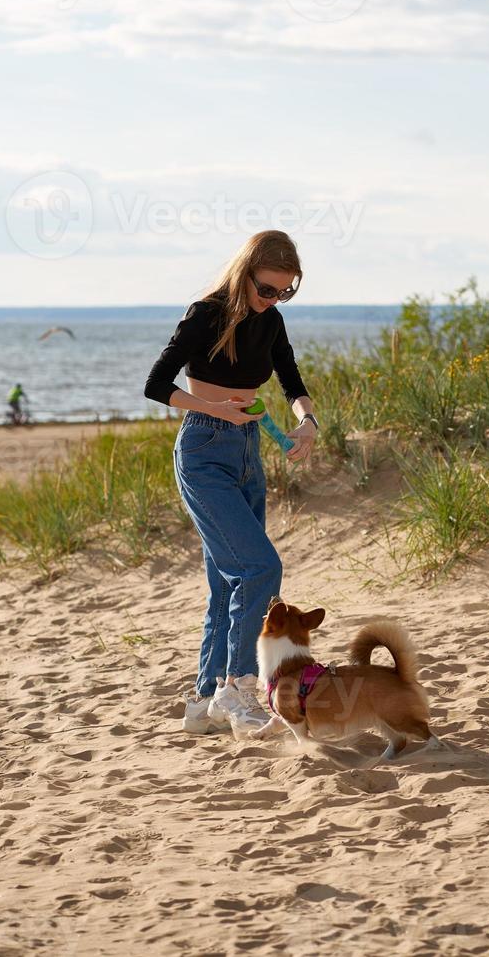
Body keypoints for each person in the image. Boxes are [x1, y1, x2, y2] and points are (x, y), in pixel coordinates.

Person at [144, 230, 319, 735]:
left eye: (284, 292)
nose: (272, 301)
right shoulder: (206, 314)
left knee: (228, 583)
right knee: (261, 567)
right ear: (245, 274)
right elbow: (157, 384)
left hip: (248, 454)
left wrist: (307, 420)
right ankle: (237, 685)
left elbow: (292, 381)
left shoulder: (272, 321)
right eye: (266, 289)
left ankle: (202, 702)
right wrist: (214, 407)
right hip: (204, 450)